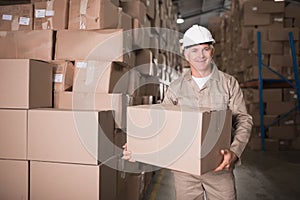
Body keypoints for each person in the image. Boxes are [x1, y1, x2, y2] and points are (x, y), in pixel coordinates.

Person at [123, 24, 253, 200]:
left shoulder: (228, 83)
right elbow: (161, 122)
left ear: (212, 52)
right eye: (194, 50)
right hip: (184, 169)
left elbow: (243, 120)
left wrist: (235, 153)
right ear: (185, 54)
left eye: (205, 49)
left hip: (218, 166)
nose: (200, 55)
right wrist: (138, 146)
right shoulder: (176, 87)